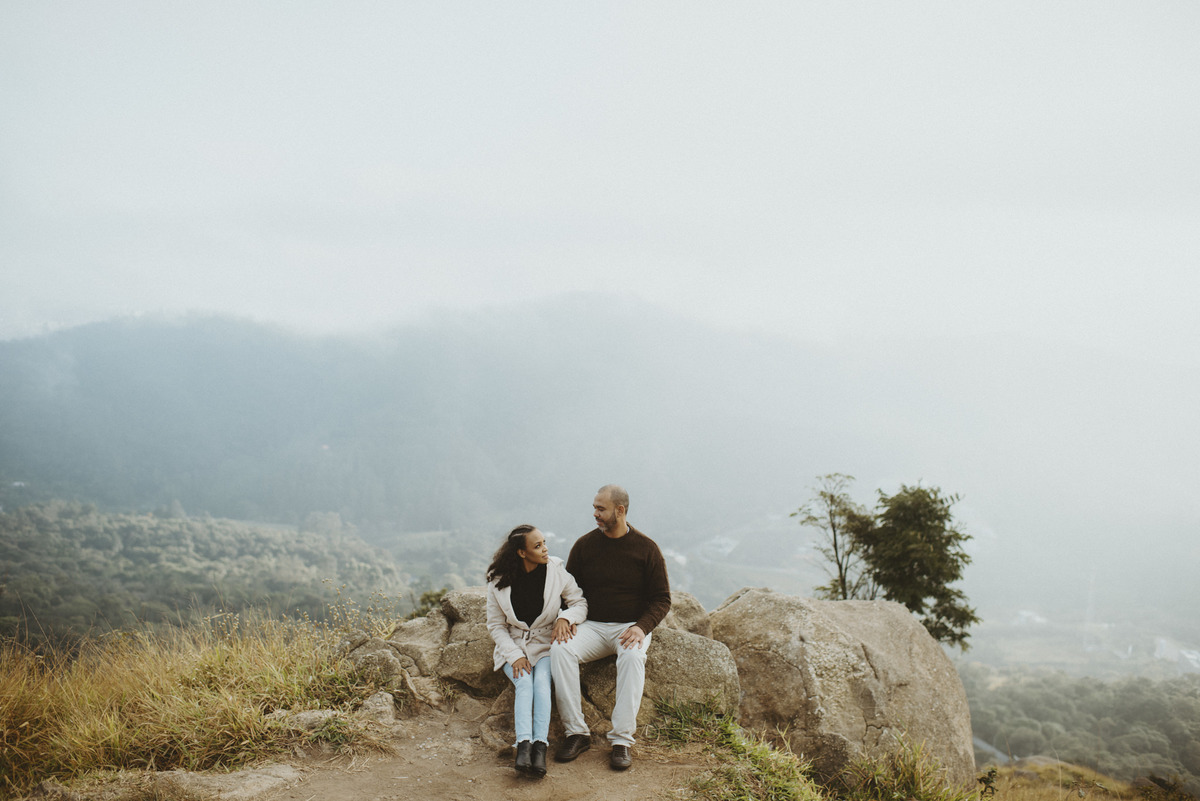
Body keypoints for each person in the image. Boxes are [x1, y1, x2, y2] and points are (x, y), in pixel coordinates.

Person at [550, 484, 672, 771]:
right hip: (590, 626)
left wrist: (642, 628)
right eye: (594, 507)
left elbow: (662, 599)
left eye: (600, 509)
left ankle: (621, 741)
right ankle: (576, 733)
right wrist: (564, 616)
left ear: (620, 510)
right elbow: (568, 591)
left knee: (632, 657)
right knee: (559, 650)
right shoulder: (584, 545)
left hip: (629, 627)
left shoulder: (646, 549)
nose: (595, 514)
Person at [485, 524, 587, 778]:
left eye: (544, 543)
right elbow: (496, 626)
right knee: (524, 684)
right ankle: (523, 746)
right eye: (538, 545)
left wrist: (566, 618)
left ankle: (540, 747)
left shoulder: (555, 570)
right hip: (514, 646)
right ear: (521, 552)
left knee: (541, 682)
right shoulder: (498, 581)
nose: (545, 549)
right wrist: (515, 655)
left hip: (545, 645)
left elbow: (579, 602)